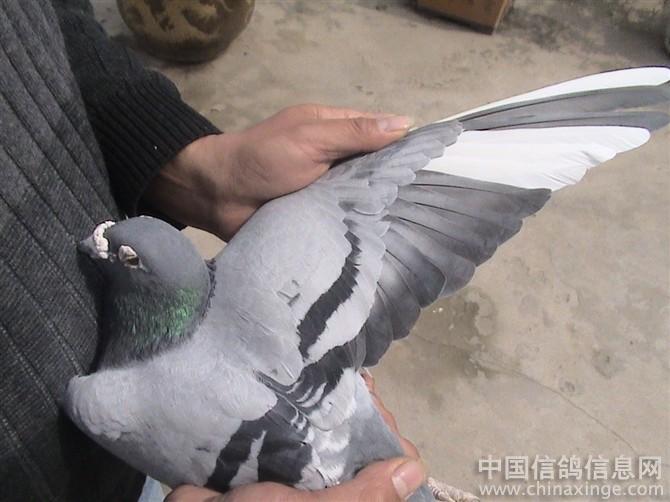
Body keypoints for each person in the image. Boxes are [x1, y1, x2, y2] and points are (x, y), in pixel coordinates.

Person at [0, 0, 424, 500]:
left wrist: (185, 159)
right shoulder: (102, 401)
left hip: (152, 453)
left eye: (122, 253)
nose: (97, 242)